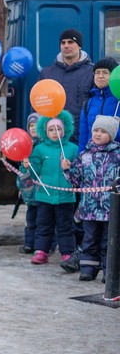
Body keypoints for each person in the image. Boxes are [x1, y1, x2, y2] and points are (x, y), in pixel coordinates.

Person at [63, 115, 120, 282]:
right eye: (96, 130)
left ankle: (108, 271)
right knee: (89, 239)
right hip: (89, 209)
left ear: (111, 134)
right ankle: (88, 269)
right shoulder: (84, 155)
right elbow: (75, 181)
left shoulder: (117, 155)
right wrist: (67, 169)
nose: (98, 134)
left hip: (111, 209)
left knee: (107, 241)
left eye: (103, 131)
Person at [25, 111, 78, 266]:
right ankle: (41, 251)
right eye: (51, 130)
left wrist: (70, 167)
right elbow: (33, 171)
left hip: (66, 197)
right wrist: (27, 166)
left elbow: (79, 172)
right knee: (43, 225)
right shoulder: (40, 149)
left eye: (58, 129)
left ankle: (67, 252)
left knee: (65, 227)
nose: (55, 132)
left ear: (65, 130)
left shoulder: (72, 149)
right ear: (45, 131)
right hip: (44, 196)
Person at [37, 28, 94, 144]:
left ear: (79, 46)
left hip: (80, 138)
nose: (66, 46)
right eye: (63, 43)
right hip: (52, 138)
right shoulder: (47, 73)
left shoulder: (92, 72)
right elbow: (37, 103)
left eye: (70, 42)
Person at [77, 57, 120, 153]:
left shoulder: (118, 100)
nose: (100, 76)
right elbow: (83, 137)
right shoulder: (88, 103)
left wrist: (109, 133)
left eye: (105, 73)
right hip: (93, 162)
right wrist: (79, 159)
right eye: (97, 72)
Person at [17, 112, 41, 254]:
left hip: (42, 192)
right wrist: (21, 186)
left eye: (36, 125)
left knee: (43, 221)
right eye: (31, 125)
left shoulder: (42, 147)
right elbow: (21, 170)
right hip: (29, 192)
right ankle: (28, 244)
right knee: (30, 220)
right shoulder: (25, 146)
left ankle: (42, 246)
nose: (33, 128)